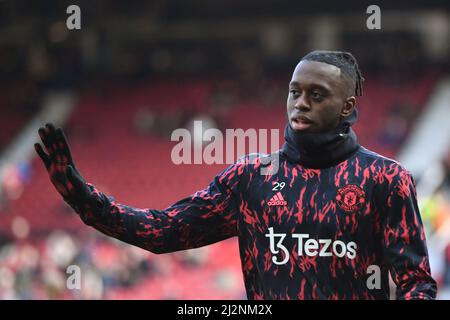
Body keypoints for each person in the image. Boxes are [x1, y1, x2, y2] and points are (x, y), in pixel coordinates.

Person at [34, 50, 437, 300]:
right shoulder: (251, 178)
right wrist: (84, 200)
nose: (300, 103)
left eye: (317, 95)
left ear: (348, 106)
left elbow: (416, 284)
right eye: (295, 91)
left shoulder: (385, 180)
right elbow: (162, 232)